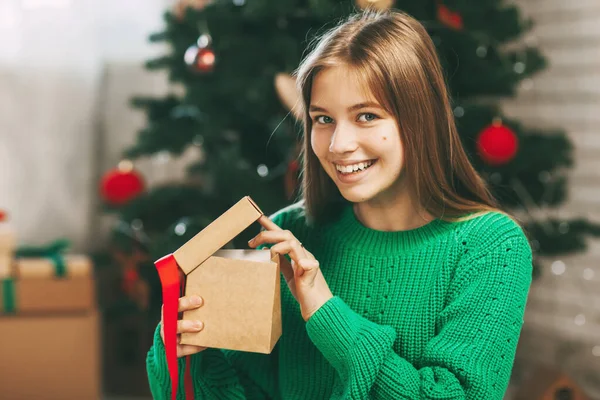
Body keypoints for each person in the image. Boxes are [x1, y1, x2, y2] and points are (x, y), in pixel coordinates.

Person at [147, 9, 533, 400]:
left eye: (366, 116)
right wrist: (181, 351)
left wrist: (324, 310)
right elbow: (240, 391)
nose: (337, 145)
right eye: (323, 119)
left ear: (420, 120)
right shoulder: (285, 235)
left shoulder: (491, 247)